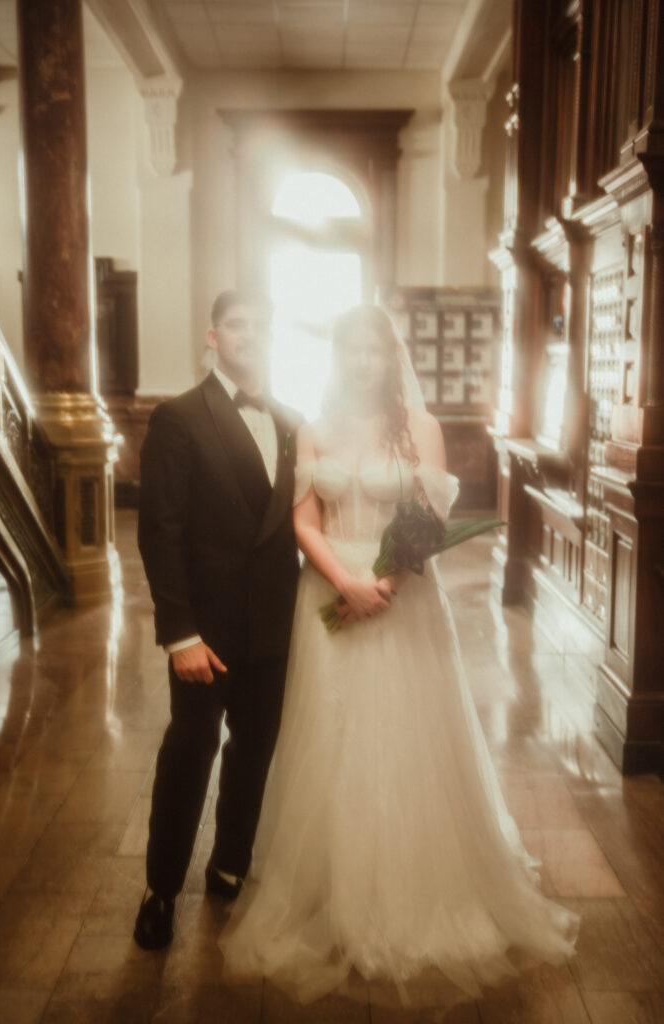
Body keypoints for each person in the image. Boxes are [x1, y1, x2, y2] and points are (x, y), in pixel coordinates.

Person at [219, 304, 578, 1003]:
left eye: (374, 351)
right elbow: (302, 516)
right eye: (351, 350)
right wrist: (342, 579)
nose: (363, 362)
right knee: (331, 739)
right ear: (337, 356)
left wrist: (380, 583)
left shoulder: (422, 428)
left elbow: (426, 516)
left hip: (402, 596)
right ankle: (331, 889)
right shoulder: (313, 427)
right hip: (327, 590)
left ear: (390, 356)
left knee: (402, 741)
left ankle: (412, 888)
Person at [134, 290, 300, 950]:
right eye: (238, 325)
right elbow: (160, 531)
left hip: (275, 627)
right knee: (189, 753)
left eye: (263, 324)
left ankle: (230, 861)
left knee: (254, 751)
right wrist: (180, 634)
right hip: (205, 630)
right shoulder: (179, 417)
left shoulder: (290, 421)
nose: (251, 334)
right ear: (213, 336)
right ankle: (161, 888)